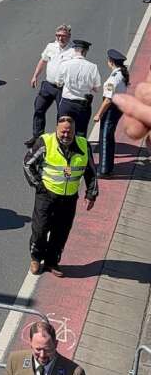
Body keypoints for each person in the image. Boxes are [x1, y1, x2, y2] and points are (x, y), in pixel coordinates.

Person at [23, 115, 98, 276]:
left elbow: (91, 172)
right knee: (40, 230)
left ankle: (52, 262)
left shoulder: (84, 145)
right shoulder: (45, 142)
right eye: (63, 132)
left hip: (69, 198)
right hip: (47, 195)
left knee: (61, 232)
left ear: (74, 132)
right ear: (57, 129)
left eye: (69, 133)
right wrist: (39, 185)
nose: (65, 135)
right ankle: (36, 258)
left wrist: (91, 194)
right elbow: (28, 164)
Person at [26, 25, 75, 146]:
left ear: (69, 36)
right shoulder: (51, 47)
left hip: (62, 88)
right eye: (58, 35)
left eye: (63, 36)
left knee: (62, 116)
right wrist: (35, 76)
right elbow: (43, 60)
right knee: (38, 109)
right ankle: (37, 137)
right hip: (48, 86)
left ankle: (60, 139)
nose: (60, 38)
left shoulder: (73, 51)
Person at [94, 48, 129, 177]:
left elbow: (108, 99)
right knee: (109, 137)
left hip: (111, 109)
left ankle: (104, 170)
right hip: (118, 107)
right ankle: (108, 166)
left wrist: (99, 114)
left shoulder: (113, 78)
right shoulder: (122, 74)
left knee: (104, 138)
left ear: (111, 61)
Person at [57, 39, 101, 136]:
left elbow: (59, 83)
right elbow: (96, 88)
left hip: (66, 103)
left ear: (74, 50)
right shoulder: (93, 67)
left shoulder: (65, 64)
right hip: (82, 105)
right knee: (80, 133)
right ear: (85, 51)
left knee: (63, 131)